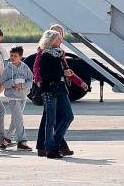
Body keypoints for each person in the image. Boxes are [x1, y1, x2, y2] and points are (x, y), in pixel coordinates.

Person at [34, 25, 86, 157]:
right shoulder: (44, 54)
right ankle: (50, 148)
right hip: (49, 89)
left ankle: (54, 143)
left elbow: (67, 71)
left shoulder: (59, 53)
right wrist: (38, 81)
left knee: (68, 116)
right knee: (50, 120)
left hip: (61, 89)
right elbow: (44, 73)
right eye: (58, 38)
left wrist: (80, 82)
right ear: (52, 40)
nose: (61, 40)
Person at [1, 45, 33, 150]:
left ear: (21, 57)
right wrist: (13, 83)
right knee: (19, 119)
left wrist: (22, 85)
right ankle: (22, 141)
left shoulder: (25, 68)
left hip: (23, 96)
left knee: (15, 120)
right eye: (11, 55)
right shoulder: (7, 69)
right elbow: (3, 83)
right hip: (13, 97)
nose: (12, 57)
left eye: (15, 56)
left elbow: (30, 81)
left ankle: (6, 140)